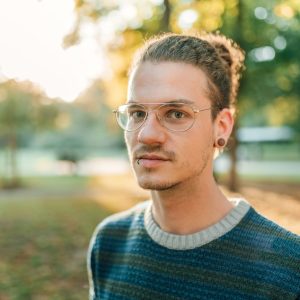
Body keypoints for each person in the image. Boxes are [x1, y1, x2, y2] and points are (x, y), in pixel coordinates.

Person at [87, 32, 300, 299]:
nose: (146, 134)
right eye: (137, 113)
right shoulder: (109, 242)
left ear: (221, 126)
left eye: (176, 114)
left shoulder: (288, 270)